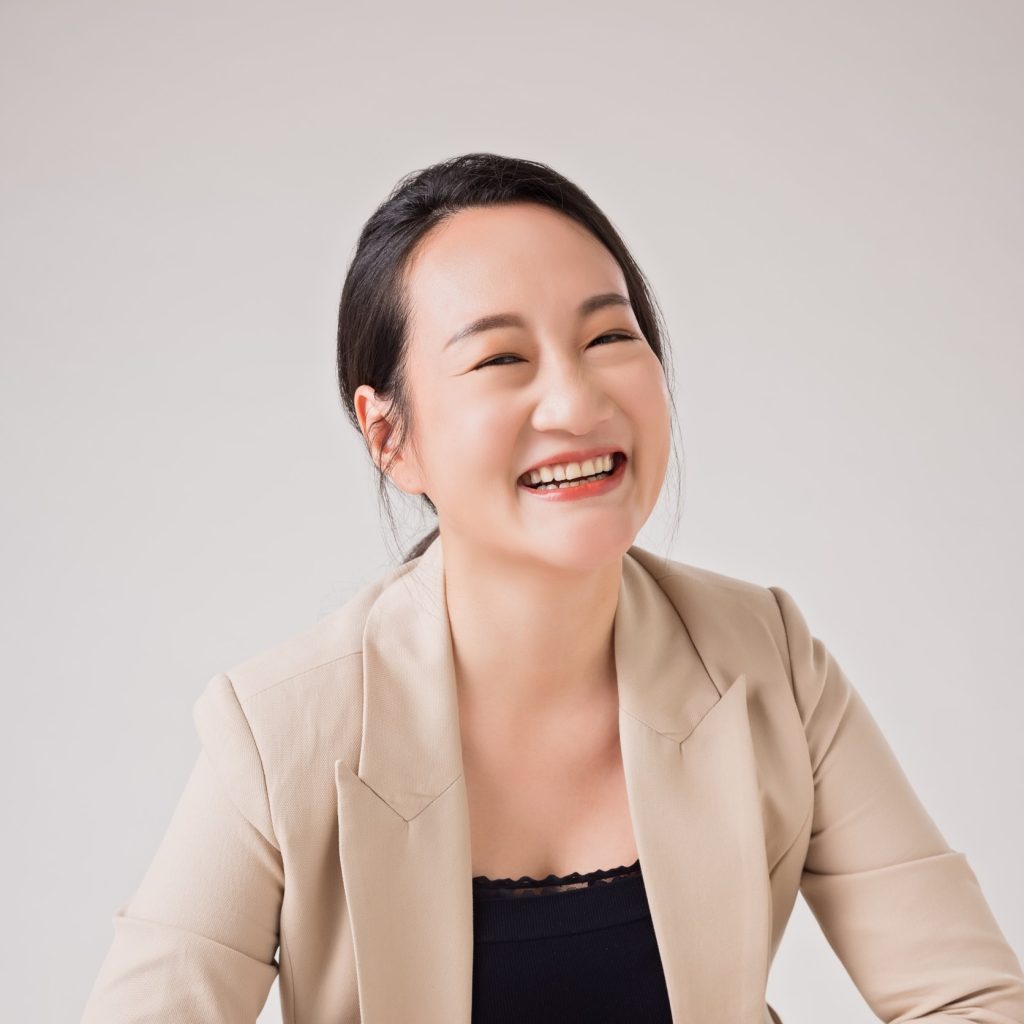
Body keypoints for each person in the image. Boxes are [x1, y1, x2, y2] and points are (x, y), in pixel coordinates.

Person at [80, 152, 1024, 1023]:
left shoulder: (765, 657)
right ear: (389, 437)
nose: (576, 403)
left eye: (609, 336)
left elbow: (971, 1000)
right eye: (501, 358)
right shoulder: (282, 729)